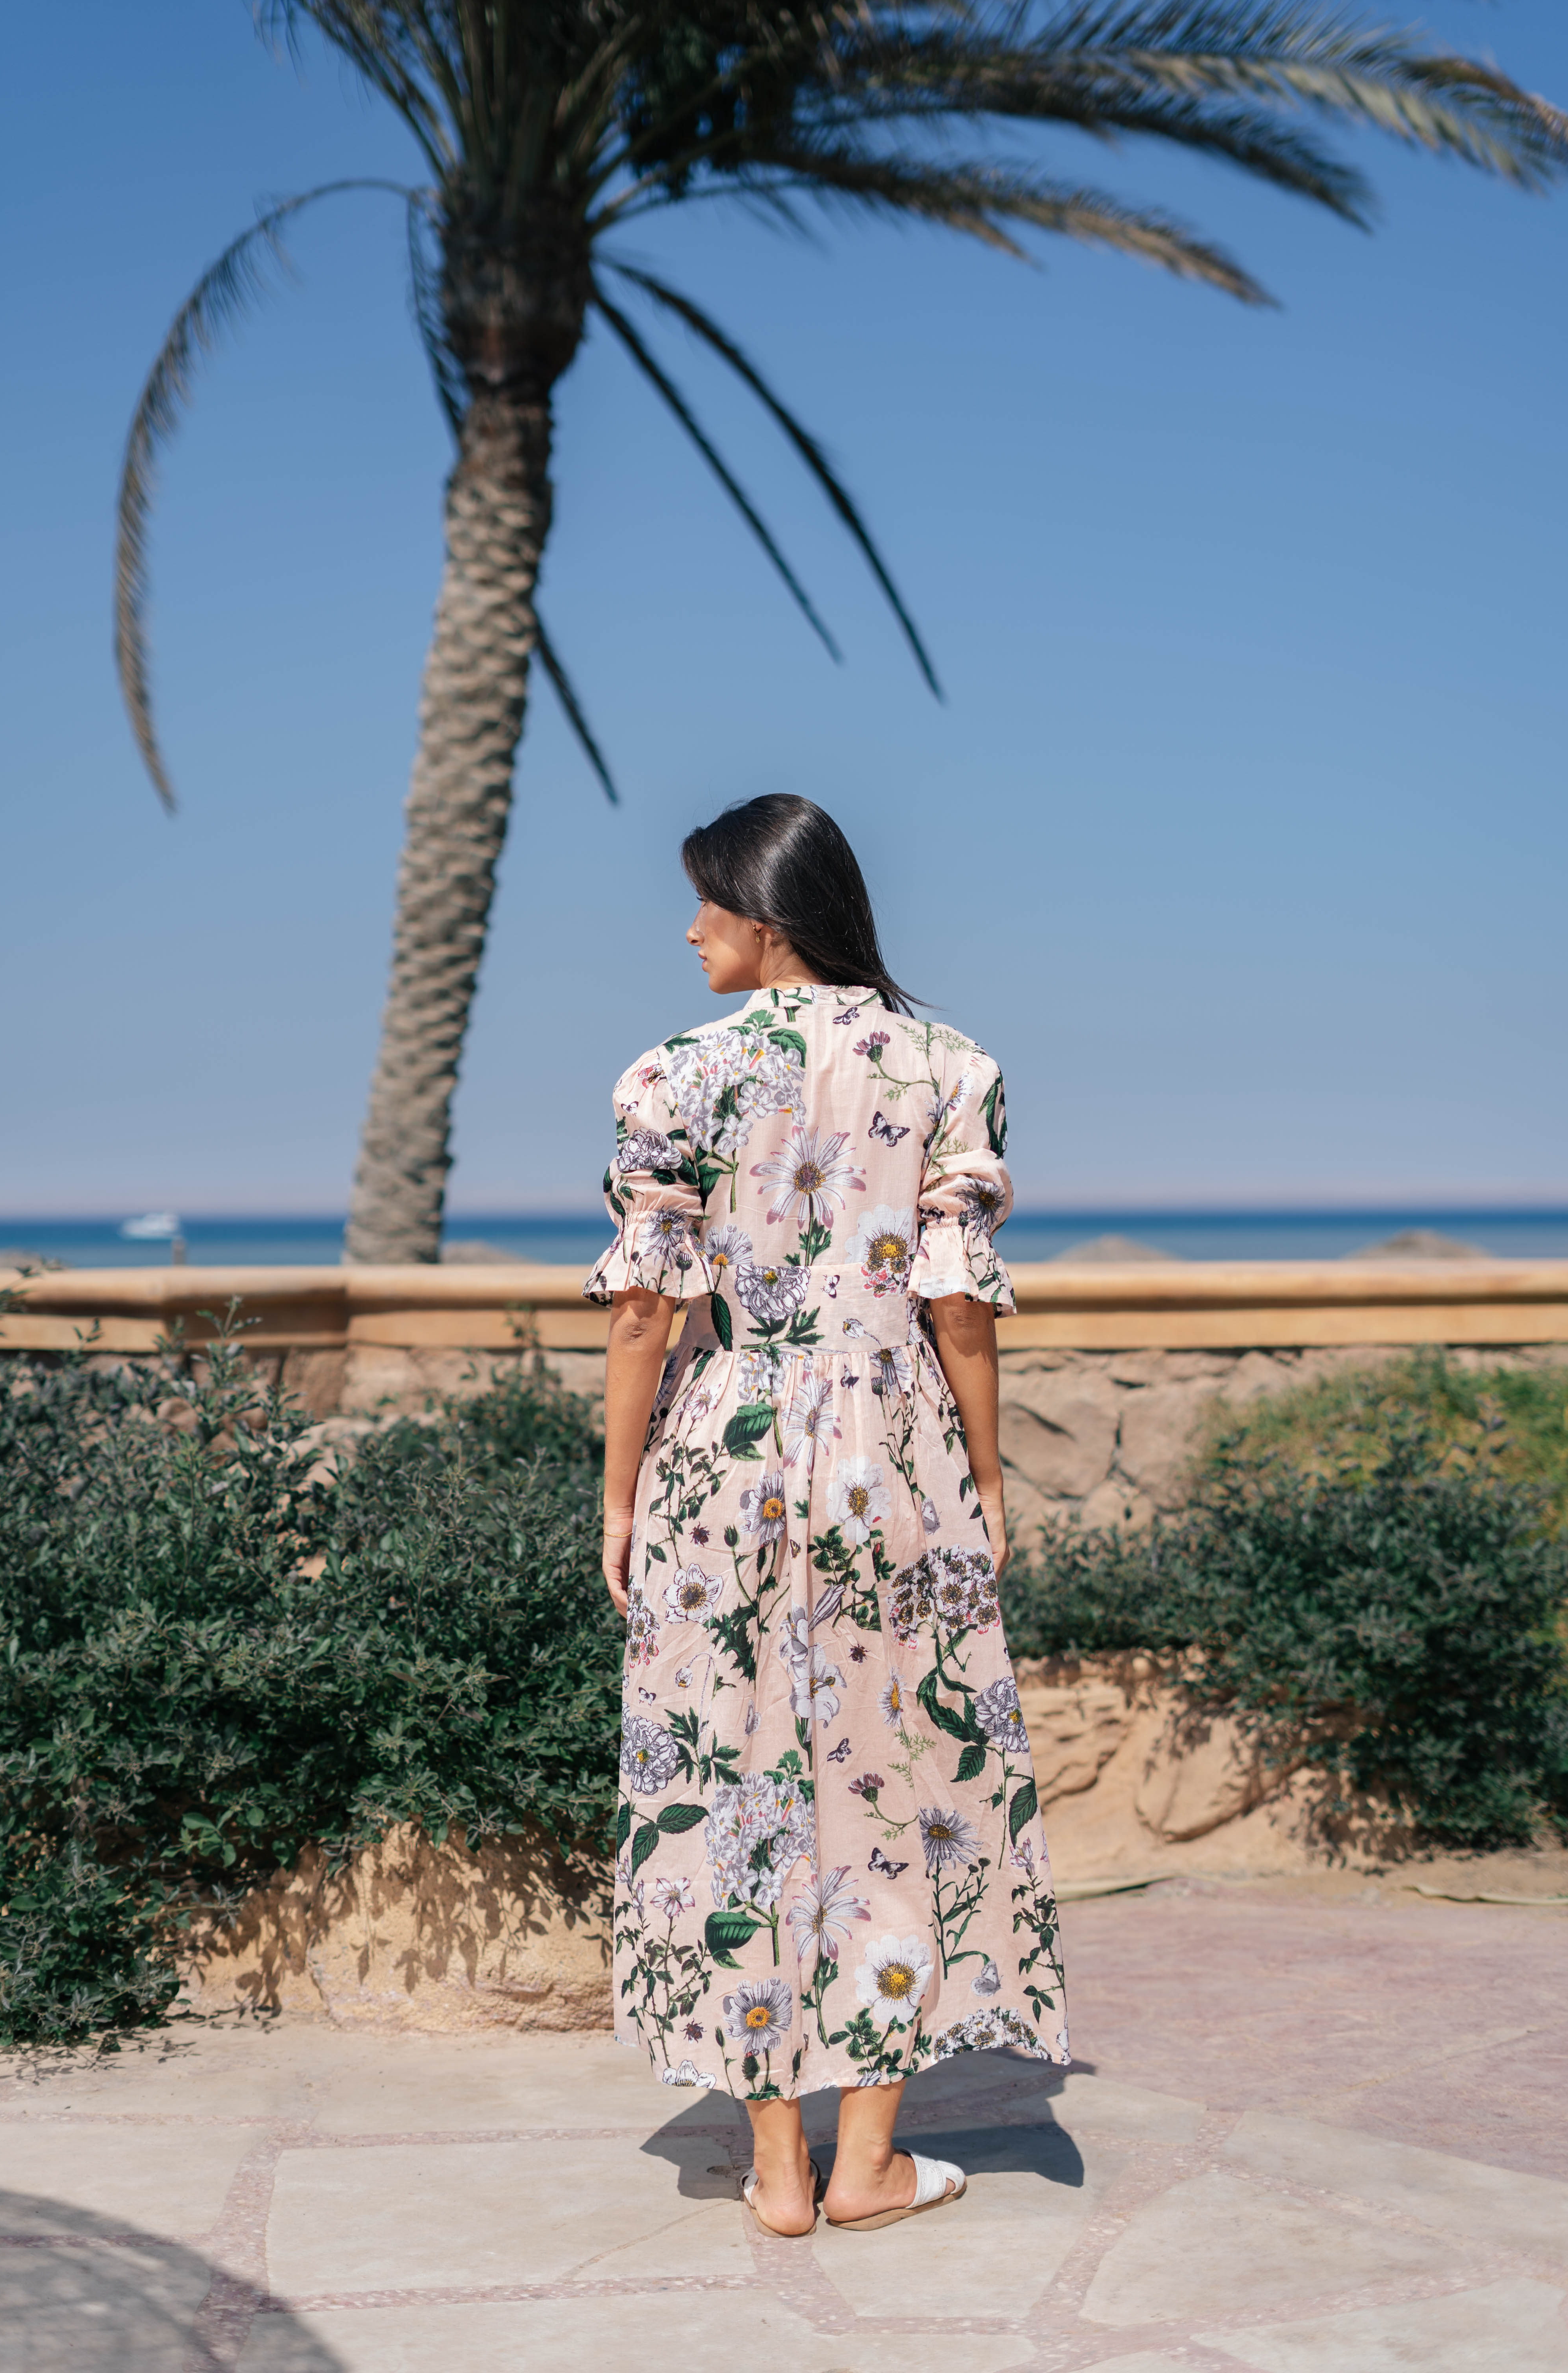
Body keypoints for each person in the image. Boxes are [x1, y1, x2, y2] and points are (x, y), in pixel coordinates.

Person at [585, 794, 1067, 2237]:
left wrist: (616, 1494)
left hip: (719, 1445)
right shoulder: (948, 1065)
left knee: (732, 1785)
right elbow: (958, 1308)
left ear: (768, 918)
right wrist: (984, 1473)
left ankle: (779, 2172)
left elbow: (639, 1316)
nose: (688, 932)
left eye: (705, 908)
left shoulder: (670, 1077)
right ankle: (869, 2161)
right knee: (891, 1778)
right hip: (892, 1448)